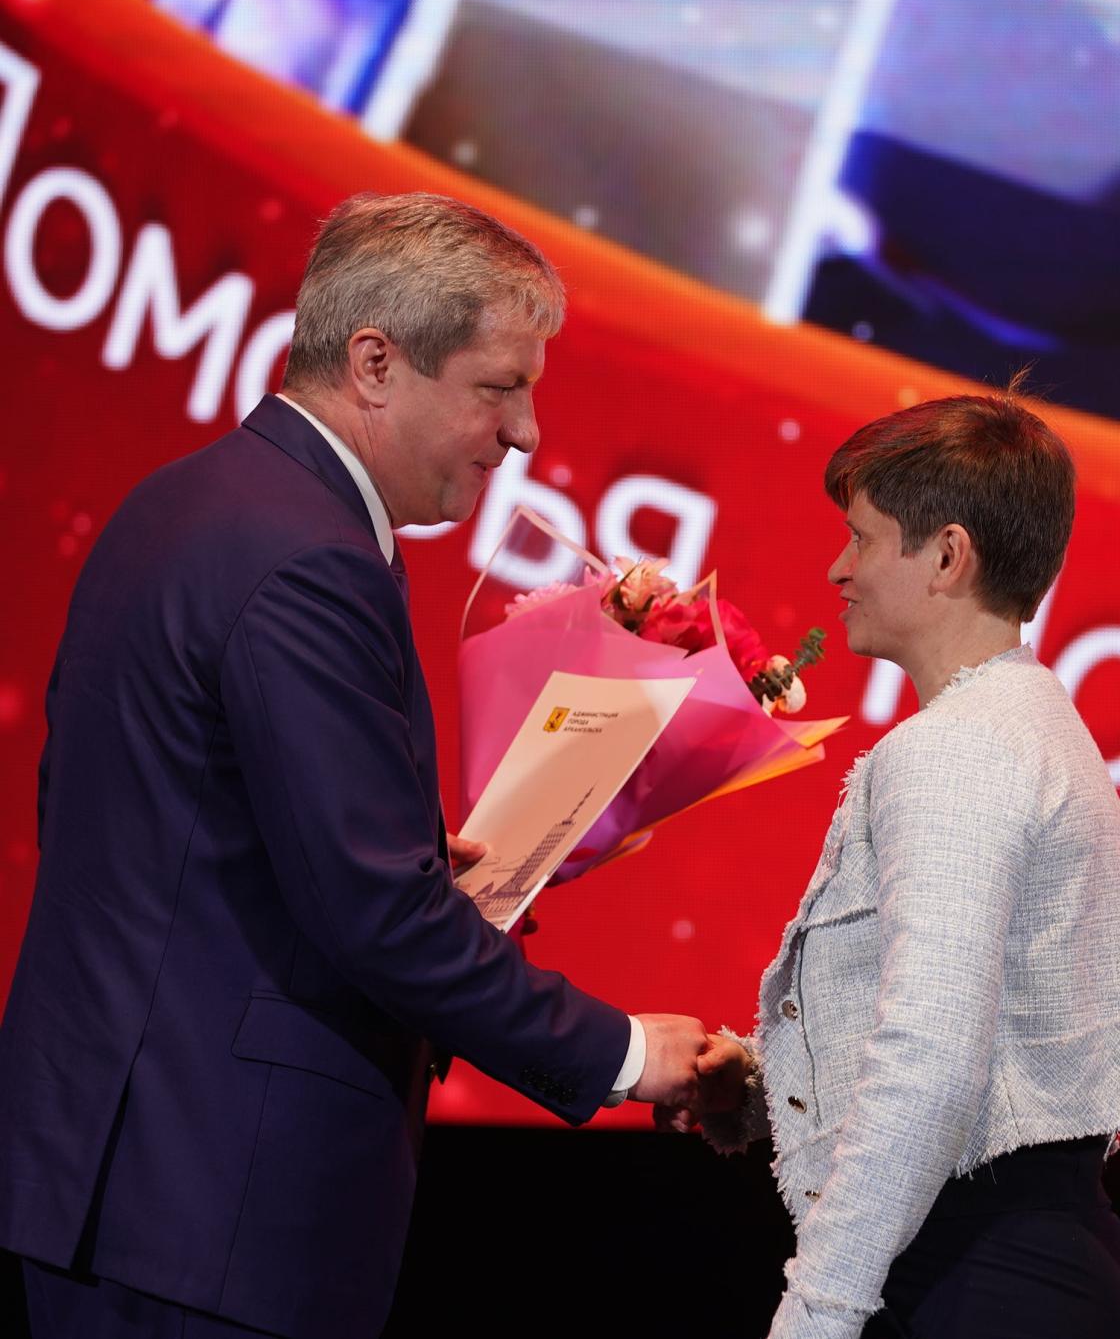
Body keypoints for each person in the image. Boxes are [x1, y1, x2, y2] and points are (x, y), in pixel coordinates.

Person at [0, 192, 711, 1339]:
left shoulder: (183, 502)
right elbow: (376, 918)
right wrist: (627, 1053)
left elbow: (177, 823)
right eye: (499, 386)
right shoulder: (308, 559)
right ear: (374, 362)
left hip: (127, 1182)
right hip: (206, 1202)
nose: (527, 432)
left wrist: (416, 860)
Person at [666, 385, 1120, 1337]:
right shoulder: (1038, 723)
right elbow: (995, 1043)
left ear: (948, 556)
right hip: (1025, 1263)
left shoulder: (956, 748)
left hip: (965, 1275)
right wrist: (765, 1085)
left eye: (862, 538)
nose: (838, 568)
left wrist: (818, 1311)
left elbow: (934, 1059)